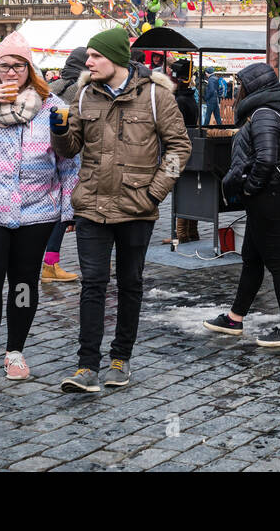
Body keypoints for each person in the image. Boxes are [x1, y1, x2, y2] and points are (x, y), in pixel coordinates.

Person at [52, 27, 190, 392]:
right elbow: (69, 150)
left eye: (95, 56)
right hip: (92, 206)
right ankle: (86, 367)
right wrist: (59, 132)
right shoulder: (84, 94)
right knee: (93, 285)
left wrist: (154, 194)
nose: (88, 62)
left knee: (130, 284)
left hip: (136, 207)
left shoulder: (157, 96)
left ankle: (120, 359)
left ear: (113, 58)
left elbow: (179, 150)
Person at [0, 32, 79, 390]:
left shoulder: (51, 106)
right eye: (4, 65)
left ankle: (15, 351)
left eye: (17, 65)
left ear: (28, 68)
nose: (10, 72)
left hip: (35, 210)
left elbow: (69, 161)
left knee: (23, 282)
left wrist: (67, 209)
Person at [204, 63, 280, 346]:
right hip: (268, 199)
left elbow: (267, 159)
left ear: (253, 86)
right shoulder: (270, 111)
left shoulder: (263, 115)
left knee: (278, 263)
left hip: (268, 200)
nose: (237, 90)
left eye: (241, 84)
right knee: (252, 258)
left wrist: (249, 188)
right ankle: (235, 318)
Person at [42, 46, 88, 281]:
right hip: (71, 159)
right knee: (70, 214)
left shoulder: (54, 87)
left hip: (47, 158)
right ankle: (52, 264)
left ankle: (50, 263)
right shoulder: (78, 90)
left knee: (57, 213)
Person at [168, 58, 200, 245]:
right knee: (188, 188)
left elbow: (174, 129)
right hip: (189, 147)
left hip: (176, 150)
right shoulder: (188, 97)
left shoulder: (179, 100)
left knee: (178, 189)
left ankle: (180, 234)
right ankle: (190, 232)